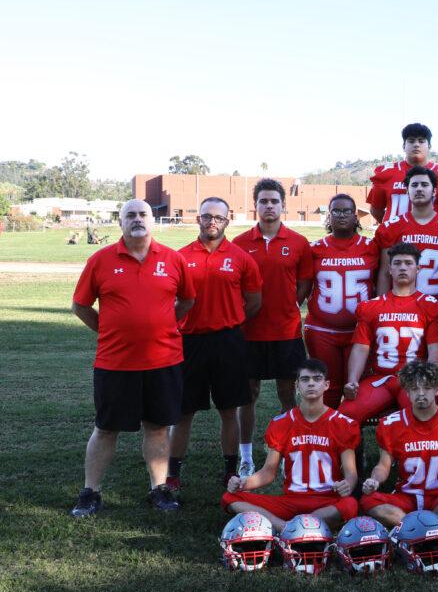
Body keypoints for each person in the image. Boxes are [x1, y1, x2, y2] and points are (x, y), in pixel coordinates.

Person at [70, 199, 195, 516]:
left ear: (152, 220)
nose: (137, 219)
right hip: (115, 363)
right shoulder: (100, 260)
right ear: (120, 222)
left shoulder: (173, 259)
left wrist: (162, 326)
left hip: (164, 361)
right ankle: (90, 492)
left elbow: (187, 300)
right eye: (130, 215)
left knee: (157, 428)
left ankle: (159, 489)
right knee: (105, 428)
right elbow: (80, 305)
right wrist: (108, 330)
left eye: (142, 214)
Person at [169, 197, 263, 491]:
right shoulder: (180, 256)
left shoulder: (241, 258)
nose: (212, 222)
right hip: (190, 341)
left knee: (229, 410)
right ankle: (172, 474)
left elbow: (254, 302)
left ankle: (229, 470)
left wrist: (228, 320)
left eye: (218, 218)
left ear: (227, 221)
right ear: (198, 219)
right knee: (183, 411)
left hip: (227, 341)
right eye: (207, 216)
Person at [232, 178, 314, 477]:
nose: (269, 206)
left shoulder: (299, 243)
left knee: (287, 393)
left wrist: (289, 306)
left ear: (283, 205)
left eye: (274, 201)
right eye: (263, 201)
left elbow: (305, 284)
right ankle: (245, 456)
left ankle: (289, 452)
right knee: (248, 394)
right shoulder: (239, 243)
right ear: (255, 205)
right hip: (250, 333)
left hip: (285, 332)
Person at [222, 358, 359, 531]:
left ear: (326, 385)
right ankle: (289, 527)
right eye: (305, 379)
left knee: (350, 504)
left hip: (326, 500)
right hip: (290, 501)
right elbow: (268, 472)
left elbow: (351, 473)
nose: (311, 384)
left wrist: (347, 484)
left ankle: (292, 527)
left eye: (317, 379)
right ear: (297, 386)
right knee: (230, 497)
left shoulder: (342, 423)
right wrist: (242, 483)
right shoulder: (282, 423)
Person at [360, 361, 438, 527]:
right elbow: (383, 466)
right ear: (407, 392)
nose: (421, 393)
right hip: (406, 496)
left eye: (427, 388)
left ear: (437, 390)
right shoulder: (392, 424)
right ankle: (428, 526)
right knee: (368, 500)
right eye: (415, 389)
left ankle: (411, 527)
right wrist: (374, 481)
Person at [339, 243, 438, 423]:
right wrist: (352, 380)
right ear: (389, 269)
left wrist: (427, 383)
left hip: (415, 379)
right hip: (381, 379)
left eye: (408, 263)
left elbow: (434, 351)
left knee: (422, 415)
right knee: (346, 415)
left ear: (418, 269)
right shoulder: (371, 307)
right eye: (397, 263)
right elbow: (361, 348)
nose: (403, 267)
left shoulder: (430, 306)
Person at [304, 193, 378, 409]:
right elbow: (304, 288)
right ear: (329, 215)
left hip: (359, 331)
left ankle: (352, 430)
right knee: (328, 388)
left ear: (356, 216)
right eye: (336, 210)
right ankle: (328, 429)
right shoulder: (315, 249)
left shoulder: (372, 247)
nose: (342, 215)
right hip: (322, 330)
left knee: (357, 389)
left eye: (347, 211)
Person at [373, 166, 438, 304]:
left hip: (436, 308)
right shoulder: (391, 228)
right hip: (400, 309)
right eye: (414, 185)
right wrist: (382, 308)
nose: (419, 189)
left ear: (434, 191)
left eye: (424, 184)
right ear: (407, 191)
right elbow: (385, 273)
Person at [367, 122, 438, 222]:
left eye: (421, 141)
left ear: (429, 146)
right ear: (404, 146)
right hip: (395, 232)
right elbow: (376, 210)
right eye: (411, 141)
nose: (416, 145)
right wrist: (391, 228)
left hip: (432, 232)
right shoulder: (386, 173)